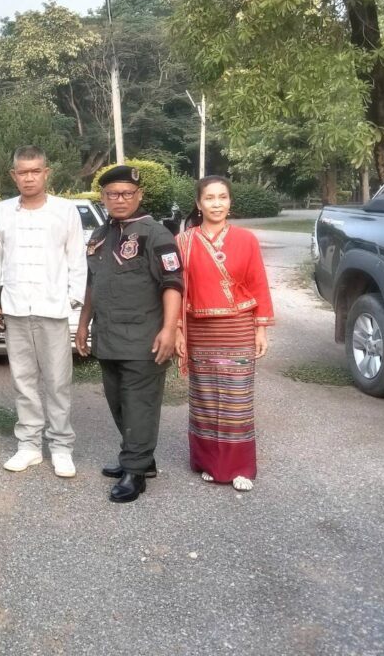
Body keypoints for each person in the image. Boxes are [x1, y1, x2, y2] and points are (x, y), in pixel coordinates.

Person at [75, 165, 183, 503]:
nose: (119, 199)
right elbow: (93, 282)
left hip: (143, 337)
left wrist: (169, 329)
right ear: (103, 197)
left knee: (139, 405)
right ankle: (141, 459)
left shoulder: (156, 234)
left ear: (139, 195)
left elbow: (173, 284)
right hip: (107, 336)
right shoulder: (99, 234)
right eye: (112, 194)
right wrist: (83, 323)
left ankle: (134, 472)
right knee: (118, 402)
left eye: (127, 193)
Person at [0, 146, 87, 478]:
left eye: (35, 171)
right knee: (23, 381)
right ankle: (29, 446)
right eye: (22, 172)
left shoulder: (65, 211)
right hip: (15, 307)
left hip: (52, 309)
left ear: (46, 173)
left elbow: (77, 259)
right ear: (13, 175)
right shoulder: (2, 213)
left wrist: (72, 301)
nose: (29, 178)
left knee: (58, 382)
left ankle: (61, 447)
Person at [174, 176, 274, 492]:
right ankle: (209, 463)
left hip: (238, 327)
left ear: (230, 201)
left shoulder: (246, 239)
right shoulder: (183, 241)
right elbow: (176, 290)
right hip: (200, 330)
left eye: (222, 197)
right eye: (210, 198)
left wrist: (260, 328)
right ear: (198, 203)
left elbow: (258, 283)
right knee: (204, 398)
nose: (216, 204)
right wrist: (178, 330)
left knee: (236, 400)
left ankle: (240, 466)